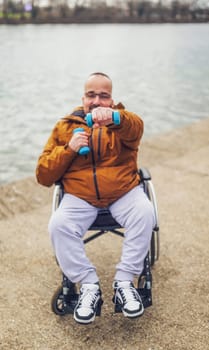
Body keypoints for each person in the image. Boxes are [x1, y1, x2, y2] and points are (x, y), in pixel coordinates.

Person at [36, 72, 155, 324]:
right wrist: (68, 149)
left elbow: (136, 127)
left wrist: (115, 118)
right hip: (80, 197)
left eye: (104, 96)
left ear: (111, 100)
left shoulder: (123, 123)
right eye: (92, 95)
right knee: (58, 225)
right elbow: (43, 176)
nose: (97, 100)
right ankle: (88, 285)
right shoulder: (65, 126)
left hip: (123, 192)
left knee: (145, 211)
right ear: (83, 98)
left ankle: (124, 282)